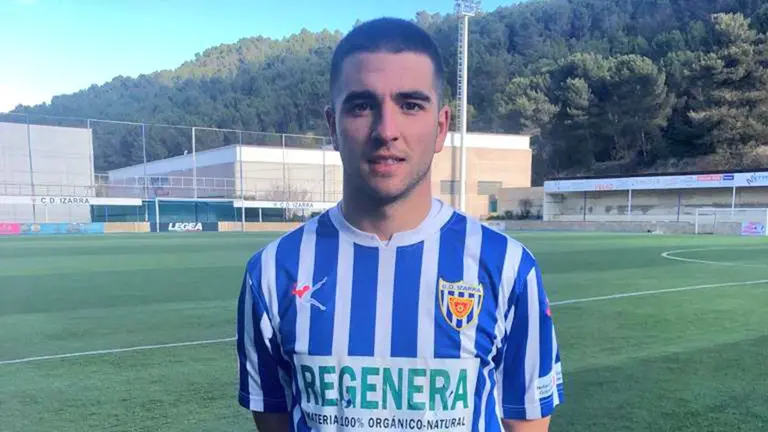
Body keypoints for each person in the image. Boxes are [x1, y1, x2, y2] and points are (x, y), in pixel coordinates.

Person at [236, 17, 564, 432]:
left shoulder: (509, 269)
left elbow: (526, 423)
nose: (386, 130)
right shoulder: (270, 273)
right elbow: (276, 423)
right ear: (331, 126)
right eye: (361, 105)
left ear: (441, 126)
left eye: (410, 104)